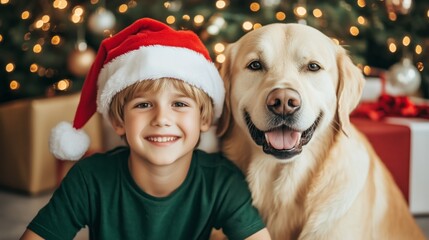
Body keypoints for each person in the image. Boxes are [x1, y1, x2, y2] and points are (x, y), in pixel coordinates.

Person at [20, 18, 270, 240]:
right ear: (119, 121)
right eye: (144, 104)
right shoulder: (89, 179)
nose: (162, 119)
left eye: (180, 104)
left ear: (204, 119)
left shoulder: (221, 182)